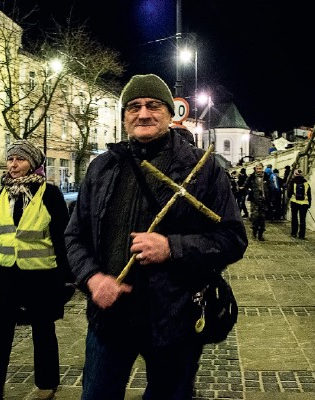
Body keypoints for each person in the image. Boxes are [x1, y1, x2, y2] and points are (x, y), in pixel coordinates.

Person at [65, 73, 248, 400]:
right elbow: (74, 236)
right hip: (110, 318)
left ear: (169, 112)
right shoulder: (102, 168)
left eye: (153, 105)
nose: (143, 113)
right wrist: (92, 279)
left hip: (174, 320)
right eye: (134, 107)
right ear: (124, 118)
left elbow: (233, 238)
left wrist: (172, 248)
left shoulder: (202, 168)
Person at [0, 139, 75, 400]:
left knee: (43, 331)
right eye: (10, 158)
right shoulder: (3, 193)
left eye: (20, 159)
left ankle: (47, 383)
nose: (13, 164)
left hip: (40, 277)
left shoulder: (50, 193)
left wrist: (68, 278)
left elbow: (62, 238)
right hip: (5, 278)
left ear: (33, 164)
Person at [243, 163, 270, 241]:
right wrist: (250, 192)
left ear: (263, 168)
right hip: (254, 200)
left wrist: (270, 199)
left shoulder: (266, 177)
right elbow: (245, 186)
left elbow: (270, 188)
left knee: (262, 218)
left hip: (264, 200)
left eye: (260, 168)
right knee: (255, 217)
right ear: (255, 169)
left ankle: (260, 234)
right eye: (257, 168)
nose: (259, 170)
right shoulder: (251, 177)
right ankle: (254, 231)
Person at [287, 169, 312, 240]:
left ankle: (294, 233)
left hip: (295, 202)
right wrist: (309, 204)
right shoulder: (306, 183)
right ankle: (302, 235)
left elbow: (289, 194)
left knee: (294, 218)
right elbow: (309, 195)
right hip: (304, 203)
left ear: (295, 174)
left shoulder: (292, 182)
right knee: (302, 219)